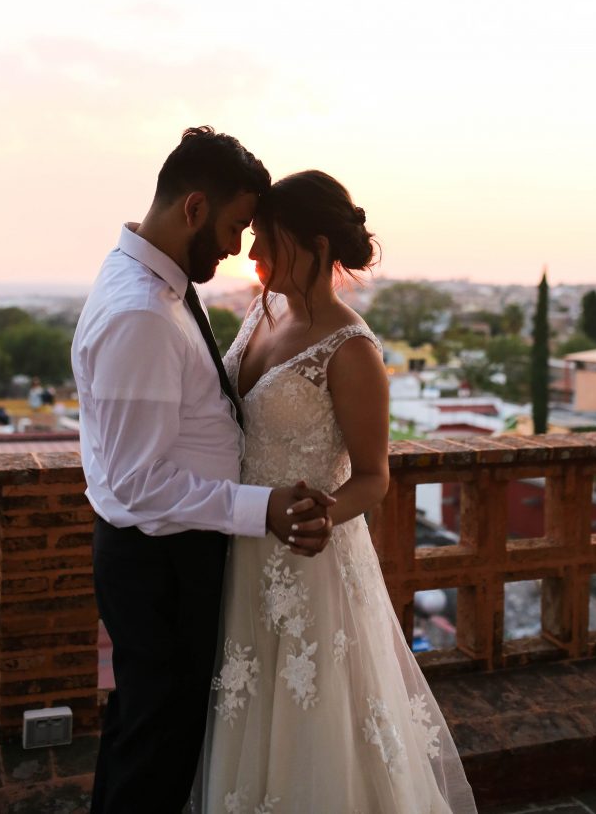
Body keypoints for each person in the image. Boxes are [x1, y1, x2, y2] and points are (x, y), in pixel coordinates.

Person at [71, 129, 335, 814]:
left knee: (142, 730)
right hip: (159, 560)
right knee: (159, 747)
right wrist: (263, 507)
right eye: (232, 225)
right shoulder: (142, 313)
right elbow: (138, 484)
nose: (237, 246)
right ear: (193, 207)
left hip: (164, 554)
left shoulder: (155, 280)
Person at [197, 171, 477, 814]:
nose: (252, 254)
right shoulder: (262, 309)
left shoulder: (351, 350)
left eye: (266, 239)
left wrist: (321, 515)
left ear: (314, 245)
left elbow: (374, 475)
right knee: (248, 707)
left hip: (308, 556)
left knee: (315, 717)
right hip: (244, 543)